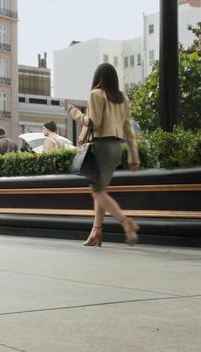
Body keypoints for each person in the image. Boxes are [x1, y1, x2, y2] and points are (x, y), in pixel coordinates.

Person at [67, 63, 141, 247]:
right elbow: (128, 130)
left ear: (97, 78)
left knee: (98, 192)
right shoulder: (122, 98)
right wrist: (134, 156)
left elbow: (94, 123)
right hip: (117, 148)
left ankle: (126, 221)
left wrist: (74, 112)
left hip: (102, 147)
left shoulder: (96, 94)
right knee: (100, 191)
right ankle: (96, 232)